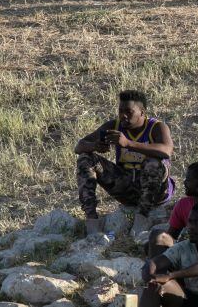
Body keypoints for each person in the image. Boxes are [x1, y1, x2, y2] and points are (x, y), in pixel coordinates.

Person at [75, 90, 175, 237]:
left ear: (142, 112)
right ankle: (92, 220)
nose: (123, 116)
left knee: (153, 162)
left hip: (155, 193)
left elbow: (166, 150)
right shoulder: (114, 126)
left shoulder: (156, 127)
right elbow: (79, 146)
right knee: (85, 159)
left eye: (129, 112)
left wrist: (128, 143)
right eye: (120, 111)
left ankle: (142, 218)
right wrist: (95, 146)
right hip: (126, 188)